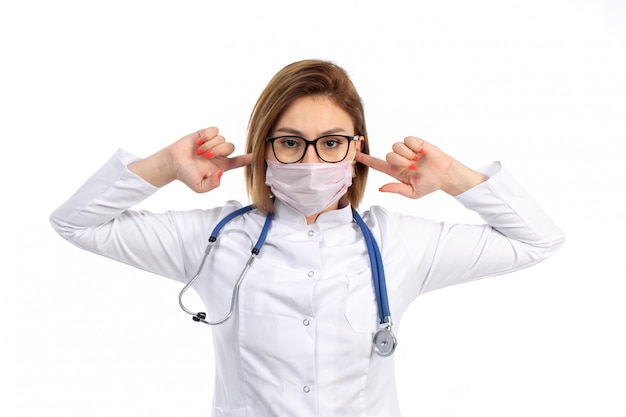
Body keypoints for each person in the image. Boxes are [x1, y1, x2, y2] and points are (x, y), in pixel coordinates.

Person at [50, 59, 564, 417]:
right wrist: (164, 165)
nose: (313, 161)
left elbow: (536, 240)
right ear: (263, 149)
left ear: (357, 149)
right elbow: (76, 223)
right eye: (291, 142)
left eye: (332, 143)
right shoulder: (212, 238)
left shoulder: (399, 243)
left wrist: (452, 177)